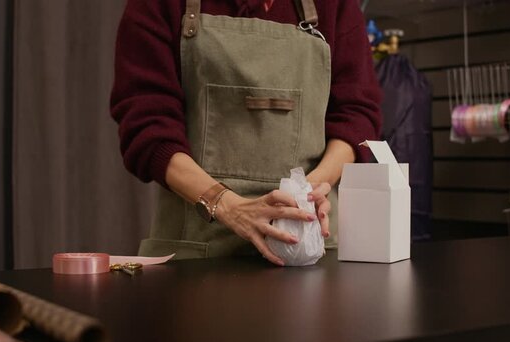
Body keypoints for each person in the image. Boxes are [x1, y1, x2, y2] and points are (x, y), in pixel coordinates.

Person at [110, 0, 382, 266]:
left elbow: (356, 114)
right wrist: (227, 206)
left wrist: (308, 193)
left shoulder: (336, 6)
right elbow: (147, 124)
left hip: (308, 248)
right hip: (198, 258)